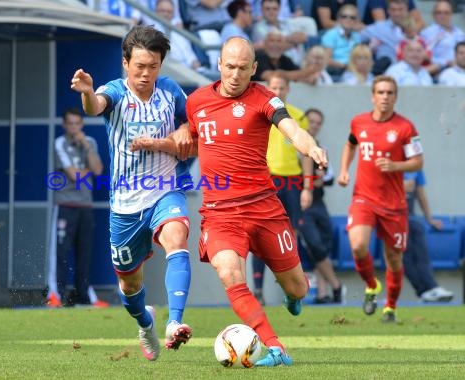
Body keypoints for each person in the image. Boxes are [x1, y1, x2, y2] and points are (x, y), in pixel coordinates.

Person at [131, 37, 328, 367]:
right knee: (229, 273)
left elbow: (293, 130)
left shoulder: (265, 99)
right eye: (230, 67)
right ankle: (275, 348)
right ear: (220, 65)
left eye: (243, 68)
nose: (235, 75)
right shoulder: (197, 102)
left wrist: (312, 148)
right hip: (220, 213)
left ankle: (293, 296)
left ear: (254, 69)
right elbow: (195, 145)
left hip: (264, 208)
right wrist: (165, 141)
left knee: (297, 287)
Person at [70, 26, 193, 361]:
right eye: (139, 66)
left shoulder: (169, 91)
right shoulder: (116, 91)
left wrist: (183, 128)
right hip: (125, 204)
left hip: (164, 191)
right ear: (126, 63)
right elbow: (96, 106)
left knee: (177, 236)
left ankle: (175, 322)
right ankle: (146, 322)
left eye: (153, 66)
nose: (145, 73)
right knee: (129, 285)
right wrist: (86, 93)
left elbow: (191, 125)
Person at [338, 75, 424, 323]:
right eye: (381, 92)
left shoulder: (406, 128)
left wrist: (395, 165)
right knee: (357, 245)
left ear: (395, 97)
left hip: (394, 204)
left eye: (390, 93)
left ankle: (390, 307)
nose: (385, 97)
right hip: (363, 197)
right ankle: (371, 284)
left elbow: (419, 161)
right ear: (373, 96)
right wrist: (344, 170)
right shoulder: (359, 122)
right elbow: (350, 144)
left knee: (394, 258)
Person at [251, 73, 312, 306]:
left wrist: (307, 187)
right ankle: (258, 289)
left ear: (288, 89)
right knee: (259, 234)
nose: (277, 91)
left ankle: (291, 286)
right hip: (267, 181)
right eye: (273, 87)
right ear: (268, 88)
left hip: (292, 183)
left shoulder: (297, 116)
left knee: (291, 235)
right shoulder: (259, 112)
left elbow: (305, 152)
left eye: (281, 87)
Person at [46, 107, 108, 308]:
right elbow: (75, 176)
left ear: (81, 124)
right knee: (61, 252)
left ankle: (85, 296)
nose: (74, 127)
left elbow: (98, 170)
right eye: (70, 123)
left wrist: (87, 150)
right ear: (64, 125)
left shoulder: (89, 142)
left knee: (85, 252)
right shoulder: (60, 143)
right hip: (65, 204)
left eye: (77, 123)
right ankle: (55, 294)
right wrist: (86, 171)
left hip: (85, 205)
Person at [297, 108, 344, 304]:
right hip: (300, 204)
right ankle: (335, 285)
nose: (314, 125)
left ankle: (323, 293)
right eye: (311, 121)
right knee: (314, 244)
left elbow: (330, 177)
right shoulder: (293, 147)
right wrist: (308, 182)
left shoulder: (320, 148)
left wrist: (319, 180)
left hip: (318, 203)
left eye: (318, 122)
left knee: (323, 244)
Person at [404, 170, 454, 302]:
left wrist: (429, 218)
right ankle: (424, 290)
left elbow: (420, 193)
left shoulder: (415, 166)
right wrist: (404, 184)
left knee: (422, 255)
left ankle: (431, 288)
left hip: (411, 218)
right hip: (392, 218)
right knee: (405, 257)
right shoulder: (387, 162)